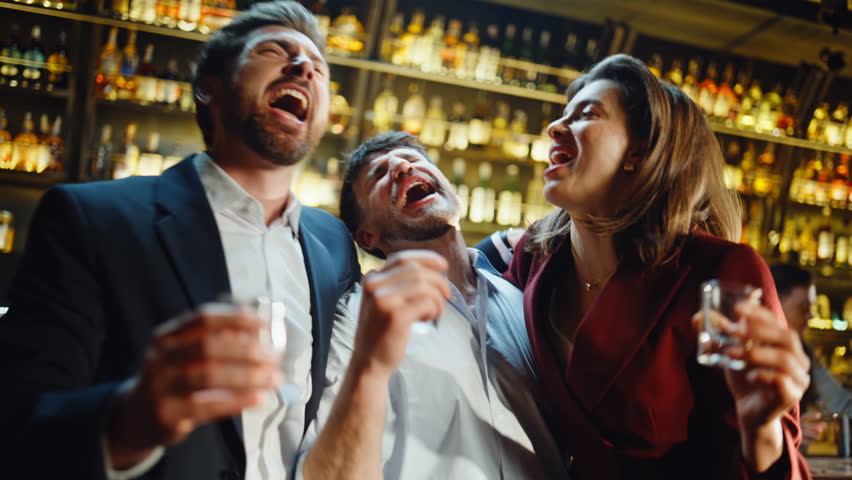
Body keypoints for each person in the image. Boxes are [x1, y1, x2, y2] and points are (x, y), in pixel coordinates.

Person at [0, 2, 360, 479]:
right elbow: (19, 430)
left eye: (319, 69)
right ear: (208, 88)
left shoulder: (332, 241)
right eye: (275, 51)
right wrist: (131, 419)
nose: (303, 68)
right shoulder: (91, 218)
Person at [504, 54, 811, 478]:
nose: (556, 127)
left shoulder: (719, 268)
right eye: (561, 116)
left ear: (640, 149)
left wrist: (760, 428)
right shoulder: (532, 260)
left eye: (587, 114)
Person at [298, 131, 566, 479]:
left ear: (452, 190)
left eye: (413, 157)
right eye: (379, 174)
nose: (401, 165)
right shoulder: (360, 319)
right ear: (368, 236)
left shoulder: (523, 299)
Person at [771, 263, 852, 415]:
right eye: (803, 307)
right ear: (776, 303)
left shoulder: (804, 352)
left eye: (811, 308)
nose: (811, 316)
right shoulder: (747, 350)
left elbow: (840, 401)